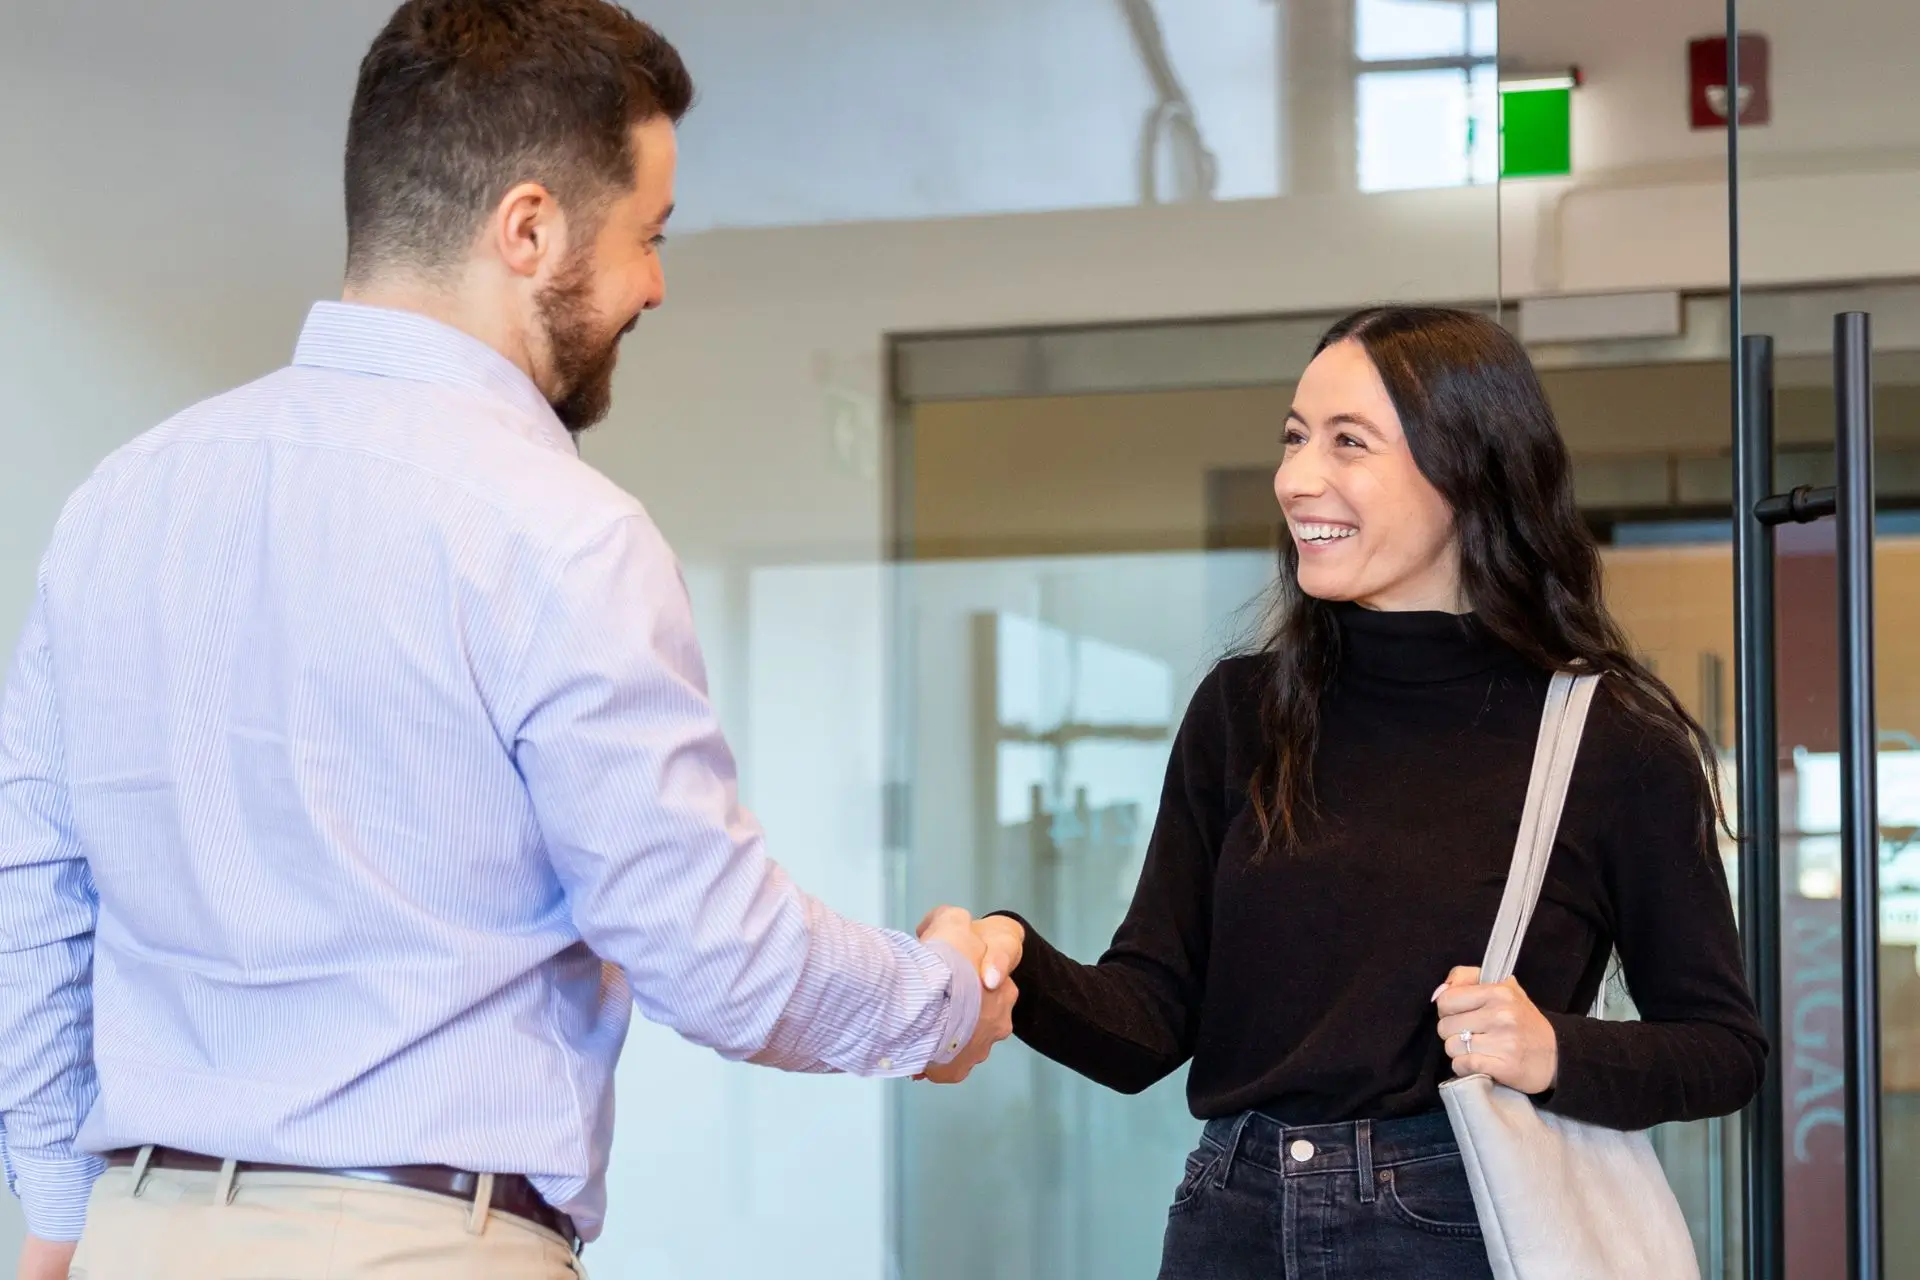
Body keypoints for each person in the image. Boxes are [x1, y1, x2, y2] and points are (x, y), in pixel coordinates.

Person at [0, 3, 1016, 1277]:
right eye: (648, 235)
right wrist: (936, 998)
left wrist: (57, 1218)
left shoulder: (119, 501)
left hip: (137, 1234)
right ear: (528, 227)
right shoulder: (561, 532)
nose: (656, 282)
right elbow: (716, 956)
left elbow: (33, 901)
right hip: (420, 1247)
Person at [926, 306, 1767, 1279]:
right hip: (1228, 1216)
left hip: (1456, 1224)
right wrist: (1011, 959)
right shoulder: (1243, 710)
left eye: (1346, 442)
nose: (1295, 478)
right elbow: (1150, 1018)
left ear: (1466, 466)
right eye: (1293, 437)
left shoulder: (1607, 739)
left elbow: (1721, 1049)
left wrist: (1553, 1050)